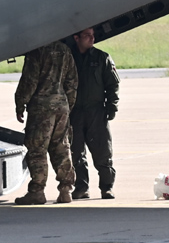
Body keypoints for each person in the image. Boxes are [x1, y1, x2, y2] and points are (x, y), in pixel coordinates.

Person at [14, 41, 78, 205]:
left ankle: (37, 191)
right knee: (61, 147)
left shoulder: (37, 51)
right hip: (61, 105)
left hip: (41, 108)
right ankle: (65, 190)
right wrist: (67, 105)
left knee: (37, 149)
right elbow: (72, 81)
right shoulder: (65, 50)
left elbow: (30, 80)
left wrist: (20, 103)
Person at [68, 28, 120, 200]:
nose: (92, 38)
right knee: (76, 152)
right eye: (87, 35)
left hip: (96, 111)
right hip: (74, 112)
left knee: (102, 151)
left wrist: (111, 106)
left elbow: (112, 84)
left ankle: (107, 187)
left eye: (93, 35)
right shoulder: (68, 58)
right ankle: (81, 187)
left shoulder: (101, 58)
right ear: (77, 38)